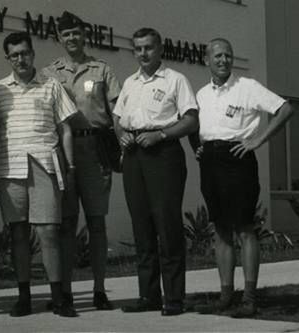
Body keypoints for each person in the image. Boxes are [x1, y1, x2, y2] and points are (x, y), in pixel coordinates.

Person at [192, 38, 294, 318]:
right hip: (211, 161)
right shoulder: (201, 94)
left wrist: (258, 140)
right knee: (221, 229)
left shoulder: (247, 87)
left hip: (238, 159)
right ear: (207, 60)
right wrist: (199, 147)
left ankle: (249, 298)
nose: (224, 60)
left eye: (228, 55)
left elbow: (285, 109)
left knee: (244, 229)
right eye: (218, 56)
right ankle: (226, 296)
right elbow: (195, 126)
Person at [0, 32, 78, 317]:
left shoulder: (51, 85)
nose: (20, 59)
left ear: (32, 54)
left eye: (25, 53)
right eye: (14, 55)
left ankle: (58, 297)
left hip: (44, 165)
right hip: (9, 167)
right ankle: (24, 297)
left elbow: (65, 129)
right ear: (8, 58)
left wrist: (71, 166)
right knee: (18, 234)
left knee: (48, 231)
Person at [112, 28, 198, 316]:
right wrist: (122, 134)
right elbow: (118, 119)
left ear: (160, 49)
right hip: (134, 153)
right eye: (138, 49)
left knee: (166, 224)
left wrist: (160, 135)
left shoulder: (175, 80)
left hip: (163, 153)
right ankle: (148, 295)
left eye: (148, 48)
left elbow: (190, 121)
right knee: (142, 225)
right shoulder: (130, 82)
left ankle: (174, 298)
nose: (143, 54)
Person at [42, 11, 121, 310]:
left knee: (97, 221)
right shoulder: (49, 73)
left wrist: (122, 145)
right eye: (66, 34)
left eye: (76, 33)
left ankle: (99, 289)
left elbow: (117, 111)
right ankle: (65, 290)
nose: (72, 38)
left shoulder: (102, 70)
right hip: (62, 150)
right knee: (66, 222)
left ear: (84, 35)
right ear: (59, 39)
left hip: (94, 147)